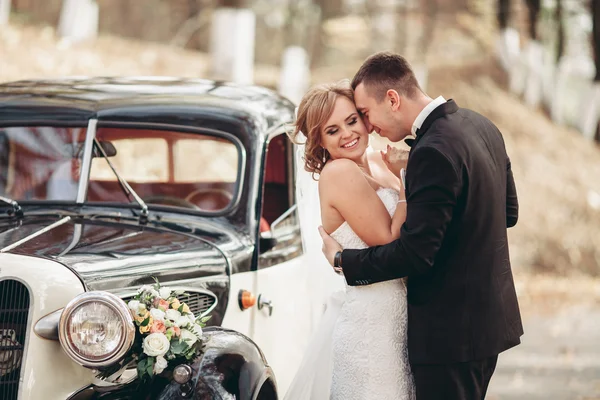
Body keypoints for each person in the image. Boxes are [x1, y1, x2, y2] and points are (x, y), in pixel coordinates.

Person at [319, 51, 523, 400]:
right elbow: (508, 212)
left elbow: (415, 254)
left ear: (393, 99)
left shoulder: (430, 151)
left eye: (365, 115)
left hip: (450, 334)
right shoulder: (481, 125)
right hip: (489, 323)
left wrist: (343, 262)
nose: (368, 127)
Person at [284, 80, 415, 400]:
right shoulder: (339, 172)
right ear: (320, 141)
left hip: (395, 316)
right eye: (332, 130)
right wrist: (405, 179)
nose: (347, 133)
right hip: (371, 322)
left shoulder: (373, 164)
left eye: (352, 121)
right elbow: (388, 238)